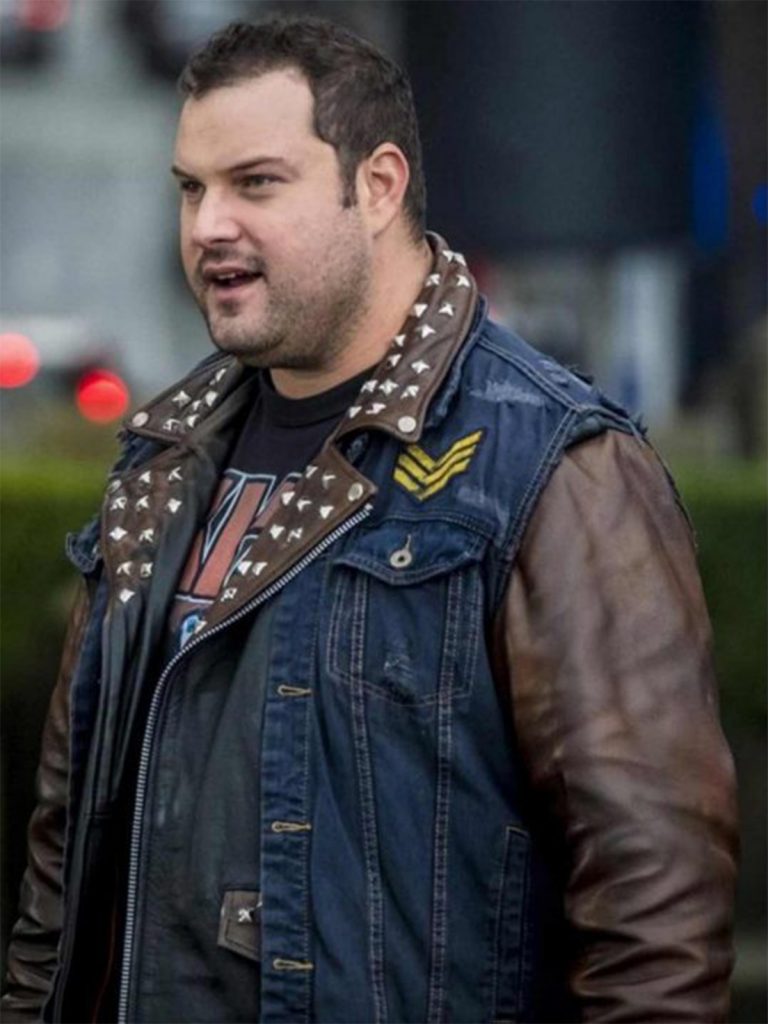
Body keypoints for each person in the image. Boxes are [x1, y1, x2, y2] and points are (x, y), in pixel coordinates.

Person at [2, 16, 738, 1024]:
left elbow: (654, 932)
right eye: (191, 188)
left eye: (256, 183)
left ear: (379, 186)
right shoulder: (160, 462)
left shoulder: (558, 469)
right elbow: (60, 879)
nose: (209, 224)